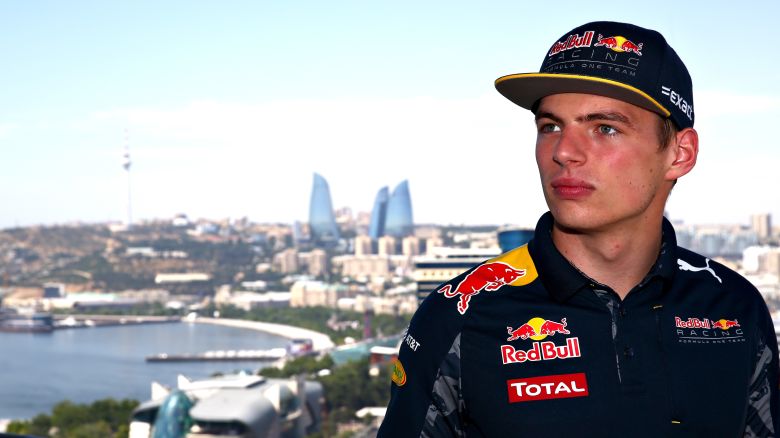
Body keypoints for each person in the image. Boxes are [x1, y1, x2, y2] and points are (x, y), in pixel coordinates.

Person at [377, 21, 779, 437]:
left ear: (679, 154)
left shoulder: (732, 307)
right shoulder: (460, 314)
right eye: (550, 127)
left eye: (605, 128)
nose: (564, 152)